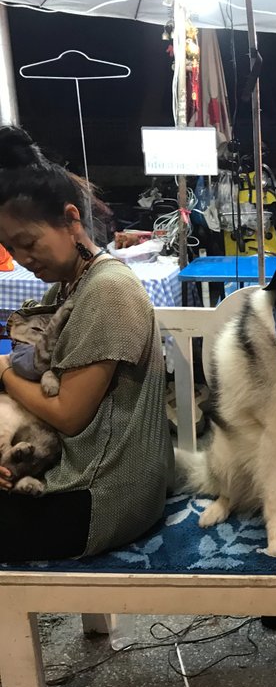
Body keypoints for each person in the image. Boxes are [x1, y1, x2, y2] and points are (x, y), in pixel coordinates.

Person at [0, 126, 173, 561]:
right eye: (9, 249)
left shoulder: (108, 289)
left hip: (101, 495)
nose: (23, 259)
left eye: (28, 243)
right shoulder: (69, 285)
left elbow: (69, 415)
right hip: (67, 474)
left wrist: (2, 368)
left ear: (71, 219)